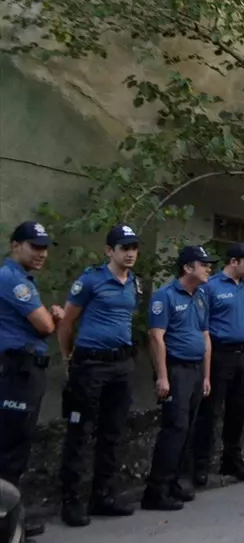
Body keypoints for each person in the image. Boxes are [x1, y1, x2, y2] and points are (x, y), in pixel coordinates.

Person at [56, 225, 142, 527]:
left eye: (133, 247)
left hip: (121, 366)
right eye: (123, 248)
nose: (130, 253)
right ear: (109, 251)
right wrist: (68, 358)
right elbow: (66, 323)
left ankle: (103, 495)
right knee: (81, 433)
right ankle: (71, 501)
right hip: (90, 365)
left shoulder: (133, 282)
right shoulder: (91, 280)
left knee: (113, 432)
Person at [0, 221, 65, 543]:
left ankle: (12, 520)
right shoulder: (12, 279)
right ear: (15, 246)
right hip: (16, 373)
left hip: (25, 372)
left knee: (17, 448)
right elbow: (42, 324)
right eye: (33, 246)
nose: (41, 253)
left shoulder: (23, 280)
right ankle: (5, 531)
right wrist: (54, 317)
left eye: (44, 247)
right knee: (9, 451)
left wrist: (49, 318)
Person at [142, 245, 217, 511]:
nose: (209, 268)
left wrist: (206, 376)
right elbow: (155, 337)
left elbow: (205, 336)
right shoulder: (166, 296)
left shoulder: (200, 296)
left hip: (196, 370)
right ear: (187, 268)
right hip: (176, 369)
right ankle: (156, 490)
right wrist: (162, 377)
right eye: (203, 264)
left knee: (188, 428)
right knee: (174, 429)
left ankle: (175, 481)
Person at [192, 242, 244, 485]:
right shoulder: (210, 288)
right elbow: (202, 326)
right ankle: (199, 465)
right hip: (220, 355)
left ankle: (231, 460)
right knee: (209, 412)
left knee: (238, 411)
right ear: (234, 261)